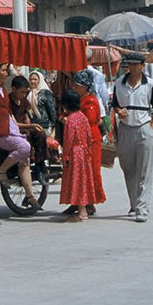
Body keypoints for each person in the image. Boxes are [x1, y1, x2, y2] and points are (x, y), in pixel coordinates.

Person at [111, 52, 153, 223]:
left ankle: (143, 207)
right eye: (129, 65)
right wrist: (119, 112)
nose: (131, 68)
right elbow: (115, 105)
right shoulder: (119, 83)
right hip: (125, 128)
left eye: (135, 64)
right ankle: (134, 203)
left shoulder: (151, 85)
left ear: (142, 66)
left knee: (144, 170)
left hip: (143, 128)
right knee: (128, 168)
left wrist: (152, 127)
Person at [0, 62, 36, 207]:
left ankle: (30, 196)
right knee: (24, 147)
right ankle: (1, 170)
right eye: (3, 70)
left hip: (9, 127)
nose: (6, 73)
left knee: (24, 158)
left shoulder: (2, 90)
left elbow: (9, 113)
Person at [58, 90, 99, 222]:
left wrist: (65, 156)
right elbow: (88, 136)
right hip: (84, 152)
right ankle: (87, 207)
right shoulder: (82, 117)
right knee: (84, 180)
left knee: (77, 182)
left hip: (75, 153)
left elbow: (69, 140)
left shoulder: (70, 120)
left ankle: (81, 212)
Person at [70, 71, 106, 215]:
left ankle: (89, 203)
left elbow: (89, 120)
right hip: (81, 139)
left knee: (90, 171)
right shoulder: (80, 99)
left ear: (84, 87)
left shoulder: (89, 101)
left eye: (77, 85)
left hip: (90, 140)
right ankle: (78, 201)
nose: (74, 87)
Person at [9, 75, 50, 182]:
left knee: (40, 134)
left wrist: (32, 128)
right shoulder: (7, 102)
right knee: (26, 135)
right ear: (13, 89)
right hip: (12, 131)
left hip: (24, 128)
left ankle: (39, 164)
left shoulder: (24, 102)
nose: (23, 95)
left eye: (25, 93)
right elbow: (13, 123)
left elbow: (26, 117)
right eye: (21, 92)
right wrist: (30, 127)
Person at [26, 70, 56, 134]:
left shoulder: (46, 93)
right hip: (31, 126)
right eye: (31, 79)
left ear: (40, 80)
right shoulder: (27, 93)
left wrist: (53, 125)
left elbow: (51, 110)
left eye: (35, 79)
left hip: (44, 125)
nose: (32, 81)